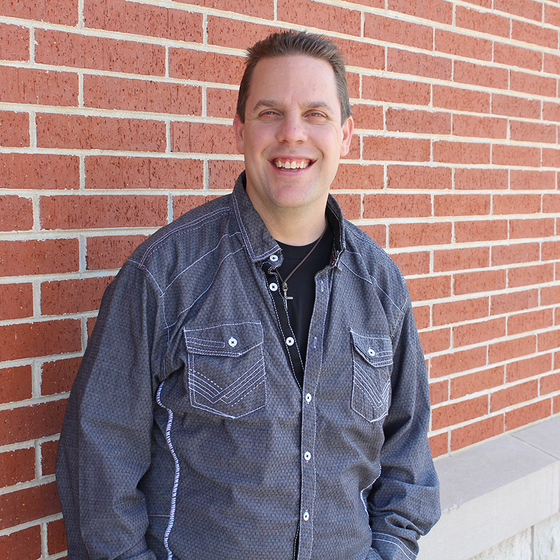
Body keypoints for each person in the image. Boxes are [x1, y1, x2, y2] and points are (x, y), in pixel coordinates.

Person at [56, 31, 440, 560]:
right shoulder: (165, 276)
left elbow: (406, 453)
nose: (292, 134)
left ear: (346, 135)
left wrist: (390, 550)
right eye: (269, 113)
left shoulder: (381, 288)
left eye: (316, 114)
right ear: (239, 128)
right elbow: (98, 458)